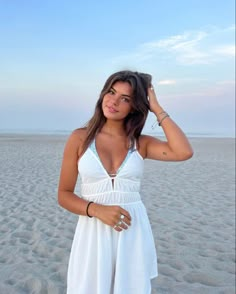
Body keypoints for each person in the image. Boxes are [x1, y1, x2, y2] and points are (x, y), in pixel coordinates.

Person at [58, 70, 193, 294]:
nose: (114, 101)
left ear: (136, 106)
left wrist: (157, 109)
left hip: (132, 232)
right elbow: (63, 194)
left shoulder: (141, 143)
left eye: (126, 98)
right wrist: (96, 210)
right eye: (111, 92)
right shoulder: (80, 138)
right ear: (103, 94)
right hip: (93, 232)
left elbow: (183, 152)